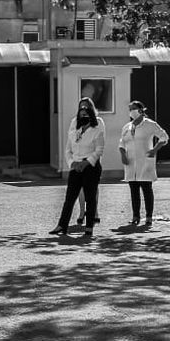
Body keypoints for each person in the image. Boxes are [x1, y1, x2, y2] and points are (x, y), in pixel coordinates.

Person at [50, 97, 105, 237]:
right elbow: (68, 148)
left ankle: (89, 227)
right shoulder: (74, 124)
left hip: (90, 166)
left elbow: (99, 149)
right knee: (69, 198)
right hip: (76, 166)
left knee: (90, 197)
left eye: (86, 109)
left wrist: (86, 162)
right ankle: (62, 225)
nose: (83, 112)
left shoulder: (97, 125)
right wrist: (72, 163)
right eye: (81, 109)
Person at [119, 101, 169, 227]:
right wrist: (123, 155)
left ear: (141, 110)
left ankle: (149, 217)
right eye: (130, 109)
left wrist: (155, 149)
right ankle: (135, 216)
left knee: (146, 189)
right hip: (131, 163)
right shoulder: (127, 127)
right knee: (133, 190)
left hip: (145, 162)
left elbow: (164, 137)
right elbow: (122, 143)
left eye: (134, 108)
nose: (131, 111)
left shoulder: (150, 124)